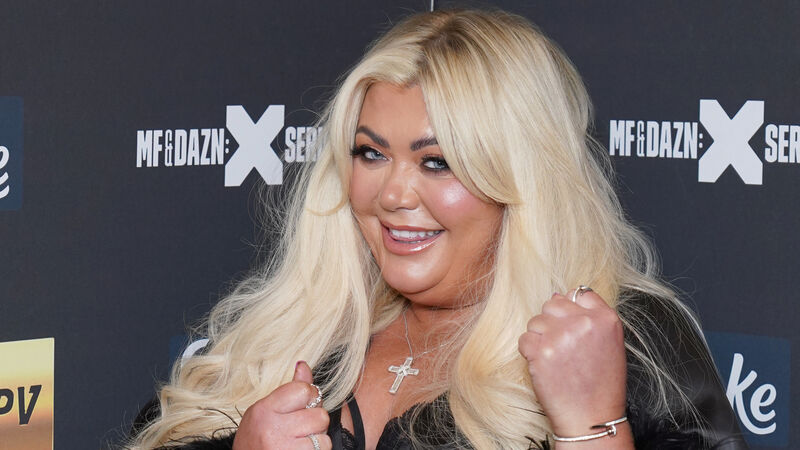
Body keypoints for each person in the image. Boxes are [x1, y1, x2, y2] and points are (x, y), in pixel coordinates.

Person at [128, 8, 746, 450]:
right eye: (371, 153)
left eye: (437, 162)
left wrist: (591, 428)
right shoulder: (295, 332)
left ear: (521, 177)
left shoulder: (620, 340)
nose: (393, 194)